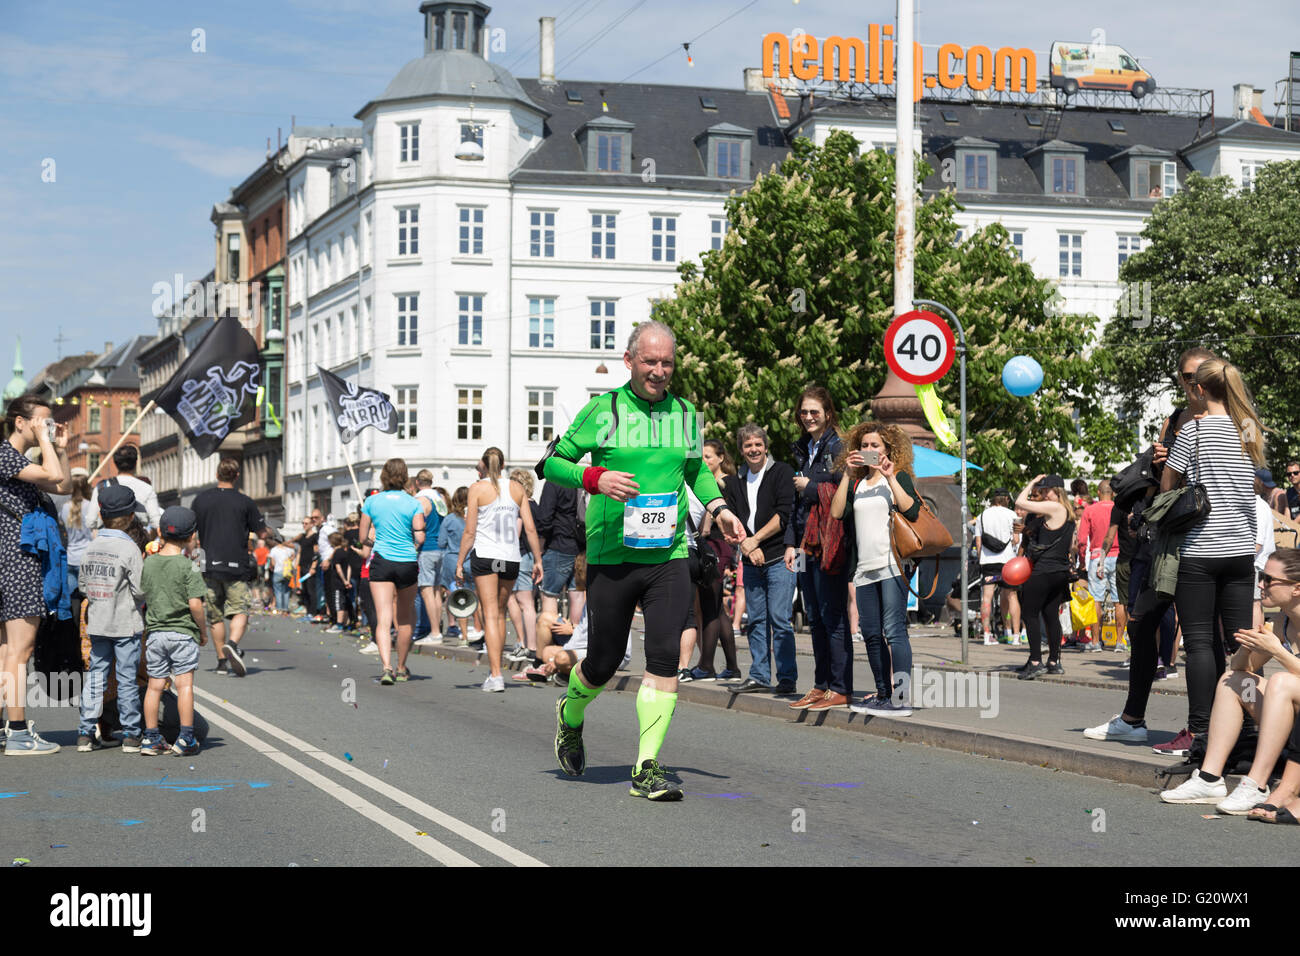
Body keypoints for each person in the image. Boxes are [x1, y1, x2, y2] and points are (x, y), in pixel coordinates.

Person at [541, 320, 747, 800]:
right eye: (650, 361)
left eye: (667, 362)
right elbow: (551, 463)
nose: (659, 370)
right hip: (613, 557)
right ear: (629, 360)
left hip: (669, 554)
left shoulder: (686, 414)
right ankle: (570, 715)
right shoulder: (604, 409)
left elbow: (696, 473)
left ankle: (646, 767)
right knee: (605, 659)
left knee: (665, 655)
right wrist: (595, 479)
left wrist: (719, 509)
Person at [1085, 348, 1215, 749]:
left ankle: (1206, 732)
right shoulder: (1177, 420)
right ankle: (1133, 718)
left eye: (1197, 376)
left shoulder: (1225, 421)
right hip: (1165, 542)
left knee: (1202, 640)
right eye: (1184, 377)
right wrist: (1162, 462)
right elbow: (1163, 488)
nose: (1190, 384)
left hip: (1205, 542)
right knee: (1142, 622)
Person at [1160, 357, 1265, 754]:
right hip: (1241, 550)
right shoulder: (1248, 428)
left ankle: (1203, 730)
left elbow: (1169, 482)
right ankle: (1251, 729)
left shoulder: (1194, 429)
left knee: (1201, 643)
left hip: (1201, 549)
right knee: (1241, 643)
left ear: (1199, 390)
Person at [1159, 549, 1300, 813]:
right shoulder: (1282, 622)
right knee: (1233, 680)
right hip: (1290, 716)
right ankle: (1209, 778)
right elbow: (1240, 668)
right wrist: (1248, 649)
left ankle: (1257, 784)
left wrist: (1278, 652)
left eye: (1268, 579)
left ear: (1297, 588)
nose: (1260, 584)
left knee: (1280, 681)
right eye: (1260, 576)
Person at [830, 421, 920, 714]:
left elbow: (912, 509)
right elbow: (836, 512)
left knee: (894, 631)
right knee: (870, 632)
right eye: (864, 445)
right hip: (865, 569)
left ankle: (902, 696)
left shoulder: (898, 477)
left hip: (893, 564)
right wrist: (846, 473)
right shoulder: (856, 484)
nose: (868, 450)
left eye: (875, 446)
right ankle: (883, 692)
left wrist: (890, 475)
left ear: (887, 449)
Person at [0, 395, 71, 755]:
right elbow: (54, 475)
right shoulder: (5, 455)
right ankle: (16, 731)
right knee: (21, 649)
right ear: (20, 423)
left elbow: (64, 486)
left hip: (12, 557)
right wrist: (47, 442)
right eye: (42, 421)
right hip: (17, 558)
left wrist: (62, 448)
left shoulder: (17, 461)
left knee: (5, 650)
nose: (48, 426)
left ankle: (4, 728)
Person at [783, 386, 851, 712]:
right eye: (804, 412)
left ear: (828, 413)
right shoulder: (804, 447)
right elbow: (796, 505)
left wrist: (811, 486)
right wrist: (789, 544)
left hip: (829, 543)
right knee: (814, 616)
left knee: (832, 614)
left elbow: (848, 485)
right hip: (803, 546)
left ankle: (839, 687)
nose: (808, 417)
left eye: (814, 412)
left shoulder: (840, 445)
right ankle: (821, 685)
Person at [455, 449, 543, 692]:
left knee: (490, 613)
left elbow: (470, 531)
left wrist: (459, 562)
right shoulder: (516, 488)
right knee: (500, 612)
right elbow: (531, 528)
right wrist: (537, 559)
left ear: (483, 465)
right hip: (510, 557)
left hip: (485, 555)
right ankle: (497, 671)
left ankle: (495, 674)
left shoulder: (477, 489)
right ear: (503, 464)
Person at [723, 423, 796, 695]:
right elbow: (731, 517)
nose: (753, 449)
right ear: (741, 450)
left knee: (779, 618)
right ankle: (760, 675)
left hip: (780, 556)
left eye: (757, 444)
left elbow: (784, 514)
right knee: (755, 620)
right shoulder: (737, 480)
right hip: (751, 559)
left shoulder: (781, 472)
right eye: (747, 445)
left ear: (765, 446)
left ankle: (787, 678)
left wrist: (756, 540)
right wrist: (746, 544)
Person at [76, 485, 145, 753]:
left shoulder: (91, 547)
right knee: (127, 678)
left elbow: (83, 585)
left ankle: (84, 732)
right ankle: (130, 734)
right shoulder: (130, 550)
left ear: (102, 514)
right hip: (125, 623)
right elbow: (140, 590)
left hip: (98, 621)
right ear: (130, 517)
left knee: (96, 676)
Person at [139, 506, 209, 756]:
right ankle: (186, 738)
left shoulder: (149, 564)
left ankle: (150, 738)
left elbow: (143, 592)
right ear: (192, 537)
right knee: (185, 685)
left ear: (159, 532)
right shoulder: (189, 565)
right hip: (182, 633)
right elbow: (195, 604)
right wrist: (202, 631)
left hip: (156, 633)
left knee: (155, 686)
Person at [190, 458, 267, 678]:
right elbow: (261, 533)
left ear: (217, 475)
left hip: (209, 566)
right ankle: (232, 644)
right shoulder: (245, 502)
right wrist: (270, 533)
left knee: (215, 616)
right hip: (236, 567)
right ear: (236, 476)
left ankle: (222, 662)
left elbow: (191, 535)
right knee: (240, 610)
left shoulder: (201, 500)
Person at [360, 459, 425, 684]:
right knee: (405, 618)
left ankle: (386, 667)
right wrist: (412, 544)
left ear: (384, 476)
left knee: (384, 619)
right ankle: (401, 666)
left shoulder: (371, 501)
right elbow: (420, 536)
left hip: (382, 561)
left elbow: (362, 538)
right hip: (407, 561)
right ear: (405, 476)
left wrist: (374, 538)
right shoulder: (413, 503)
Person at [1014, 474, 1076, 680]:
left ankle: (1035, 661)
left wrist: (1030, 482)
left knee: (1030, 614)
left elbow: (1020, 503)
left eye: (1045, 490)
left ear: (1056, 491)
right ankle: (1054, 661)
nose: (1042, 493)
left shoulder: (1055, 507)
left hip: (1043, 571)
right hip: (1059, 572)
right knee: (1051, 616)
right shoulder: (1068, 513)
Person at [691, 439, 741, 681]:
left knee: (710, 606)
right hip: (714, 547)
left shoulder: (725, 483)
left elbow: (711, 521)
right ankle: (731, 666)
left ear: (721, 458)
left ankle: (706, 665)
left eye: (708, 457)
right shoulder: (710, 482)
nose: (703, 461)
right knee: (718, 609)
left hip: (718, 547)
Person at [533, 470, 586, 644]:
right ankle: (574, 641)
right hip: (580, 546)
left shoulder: (554, 481)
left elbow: (544, 516)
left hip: (558, 544)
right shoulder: (578, 479)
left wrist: (543, 539)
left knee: (549, 595)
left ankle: (549, 644)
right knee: (577, 593)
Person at [1079, 480, 1125, 651]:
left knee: (1096, 599)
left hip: (1098, 556)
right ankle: (1120, 642)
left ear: (1098, 492)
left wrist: (1082, 559)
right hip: (1118, 555)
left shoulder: (1090, 510)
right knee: (1118, 599)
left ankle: (1095, 641)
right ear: (1112, 493)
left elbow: (1082, 540)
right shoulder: (1119, 508)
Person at [974, 489, 1019, 646]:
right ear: (1006, 498)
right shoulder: (1012, 515)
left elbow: (978, 542)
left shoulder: (982, 516)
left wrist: (982, 559)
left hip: (988, 563)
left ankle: (987, 635)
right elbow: (1015, 539)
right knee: (1011, 596)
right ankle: (1015, 636)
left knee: (987, 597)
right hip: (1007, 562)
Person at [506, 468, 540, 662]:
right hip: (531, 556)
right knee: (528, 603)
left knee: (522, 602)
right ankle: (527, 644)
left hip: (520, 555)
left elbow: (516, 533)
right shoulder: (535, 505)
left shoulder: (520, 506)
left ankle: (526, 645)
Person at [88, 444, 161, 533]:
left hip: (110, 538)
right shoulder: (147, 488)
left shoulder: (102, 486)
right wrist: (148, 538)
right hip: (137, 541)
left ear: (115, 463)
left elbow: (90, 522)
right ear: (136, 462)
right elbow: (157, 523)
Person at [413, 470, 447, 647]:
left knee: (427, 592)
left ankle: (434, 632)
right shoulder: (438, 497)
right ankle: (437, 631)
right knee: (435, 593)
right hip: (440, 547)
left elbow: (417, 524)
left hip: (427, 548)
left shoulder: (421, 500)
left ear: (418, 482)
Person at [61, 474, 96, 596]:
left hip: (71, 556)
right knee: (87, 595)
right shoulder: (91, 506)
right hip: (87, 556)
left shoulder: (65, 507)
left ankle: (73, 615)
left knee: (72, 595)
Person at [268, 536, 295, 613]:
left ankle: (279, 609)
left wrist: (273, 566)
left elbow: (273, 563)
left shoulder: (274, 550)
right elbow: (293, 555)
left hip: (278, 571)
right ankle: (285, 609)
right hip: (287, 572)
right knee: (286, 591)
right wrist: (289, 560)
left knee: (278, 591)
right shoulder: (288, 549)